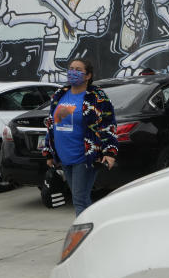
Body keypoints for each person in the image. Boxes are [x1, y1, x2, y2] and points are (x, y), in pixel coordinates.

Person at [42, 58, 118, 215]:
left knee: (79, 199)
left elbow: (108, 124)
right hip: (65, 157)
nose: (72, 72)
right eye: (71, 68)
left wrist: (110, 152)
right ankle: (93, 229)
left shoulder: (97, 96)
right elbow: (52, 124)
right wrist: (49, 152)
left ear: (88, 75)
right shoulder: (60, 94)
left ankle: (83, 234)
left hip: (84, 157)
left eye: (78, 69)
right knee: (81, 198)